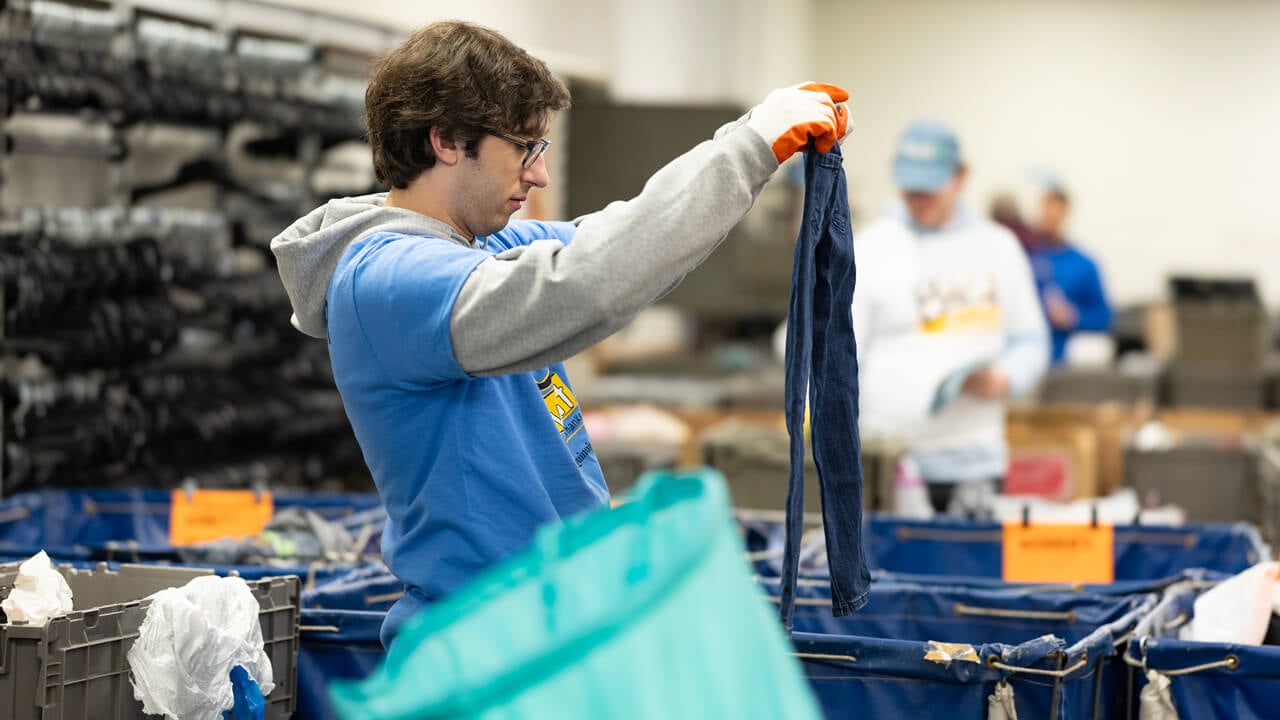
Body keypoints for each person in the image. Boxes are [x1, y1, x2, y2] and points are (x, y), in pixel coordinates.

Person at [270, 20, 852, 649]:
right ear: (446, 141)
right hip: (485, 647)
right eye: (525, 148)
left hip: (545, 625)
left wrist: (745, 139)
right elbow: (590, 283)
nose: (540, 175)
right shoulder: (389, 279)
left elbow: (626, 240)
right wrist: (750, 149)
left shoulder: (479, 246)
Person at [852, 120, 1048, 516]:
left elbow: (1030, 341)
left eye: (930, 188)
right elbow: (844, 353)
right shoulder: (870, 248)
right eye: (911, 189)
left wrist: (1005, 377)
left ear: (960, 176)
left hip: (973, 460)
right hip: (886, 458)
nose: (919, 199)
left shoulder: (998, 248)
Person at [1028, 186, 1113, 364]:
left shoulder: (1084, 265)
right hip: (1028, 358)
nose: (1051, 222)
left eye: (1056, 216)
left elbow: (1104, 318)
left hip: (1065, 361)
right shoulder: (1026, 258)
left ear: (1066, 215)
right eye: (1047, 215)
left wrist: (1073, 317)